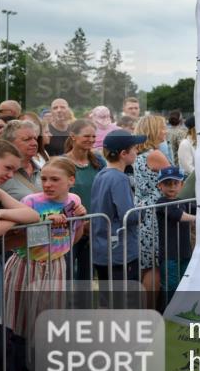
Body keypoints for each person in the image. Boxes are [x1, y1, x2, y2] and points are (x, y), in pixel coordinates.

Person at [4, 157, 87, 346]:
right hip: (26, 266)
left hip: (56, 265)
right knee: (17, 317)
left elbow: (74, 237)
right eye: (44, 179)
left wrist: (80, 219)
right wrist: (43, 222)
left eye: (55, 179)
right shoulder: (30, 201)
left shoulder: (74, 200)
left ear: (71, 180)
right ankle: (15, 368)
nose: (48, 184)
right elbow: (19, 238)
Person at [0, 141, 40, 371]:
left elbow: (32, 216)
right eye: (7, 168)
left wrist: (1, 215)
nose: (10, 175)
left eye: (14, 169)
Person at [90, 129, 145, 285]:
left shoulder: (101, 175)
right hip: (121, 252)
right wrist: (142, 210)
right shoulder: (119, 179)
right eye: (134, 148)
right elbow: (129, 216)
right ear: (123, 153)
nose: (137, 151)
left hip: (103, 250)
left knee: (108, 301)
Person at [133, 115, 171, 296]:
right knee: (153, 266)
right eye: (162, 128)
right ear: (153, 131)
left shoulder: (138, 156)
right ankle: (151, 312)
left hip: (143, 211)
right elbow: (175, 180)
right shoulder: (155, 155)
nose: (166, 131)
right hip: (155, 214)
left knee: (145, 264)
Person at [64, 120, 105, 281]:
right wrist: (79, 223)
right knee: (66, 274)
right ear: (73, 137)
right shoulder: (62, 163)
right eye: (86, 135)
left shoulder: (99, 162)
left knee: (86, 276)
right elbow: (58, 195)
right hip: (69, 228)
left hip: (94, 227)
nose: (91, 139)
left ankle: (84, 306)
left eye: (94, 136)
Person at [154, 166, 194, 307]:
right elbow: (179, 216)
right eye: (167, 183)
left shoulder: (183, 202)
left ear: (182, 184)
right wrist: (197, 218)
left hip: (184, 252)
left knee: (184, 285)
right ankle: (166, 316)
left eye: (175, 183)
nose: (172, 187)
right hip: (169, 255)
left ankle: (180, 314)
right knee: (170, 287)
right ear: (160, 185)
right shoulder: (162, 203)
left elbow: (199, 208)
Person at [0, 120, 42, 201]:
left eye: (35, 138)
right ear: (10, 143)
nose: (34, 143)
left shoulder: (43, 169)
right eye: (27, 139)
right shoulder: (0, 174)